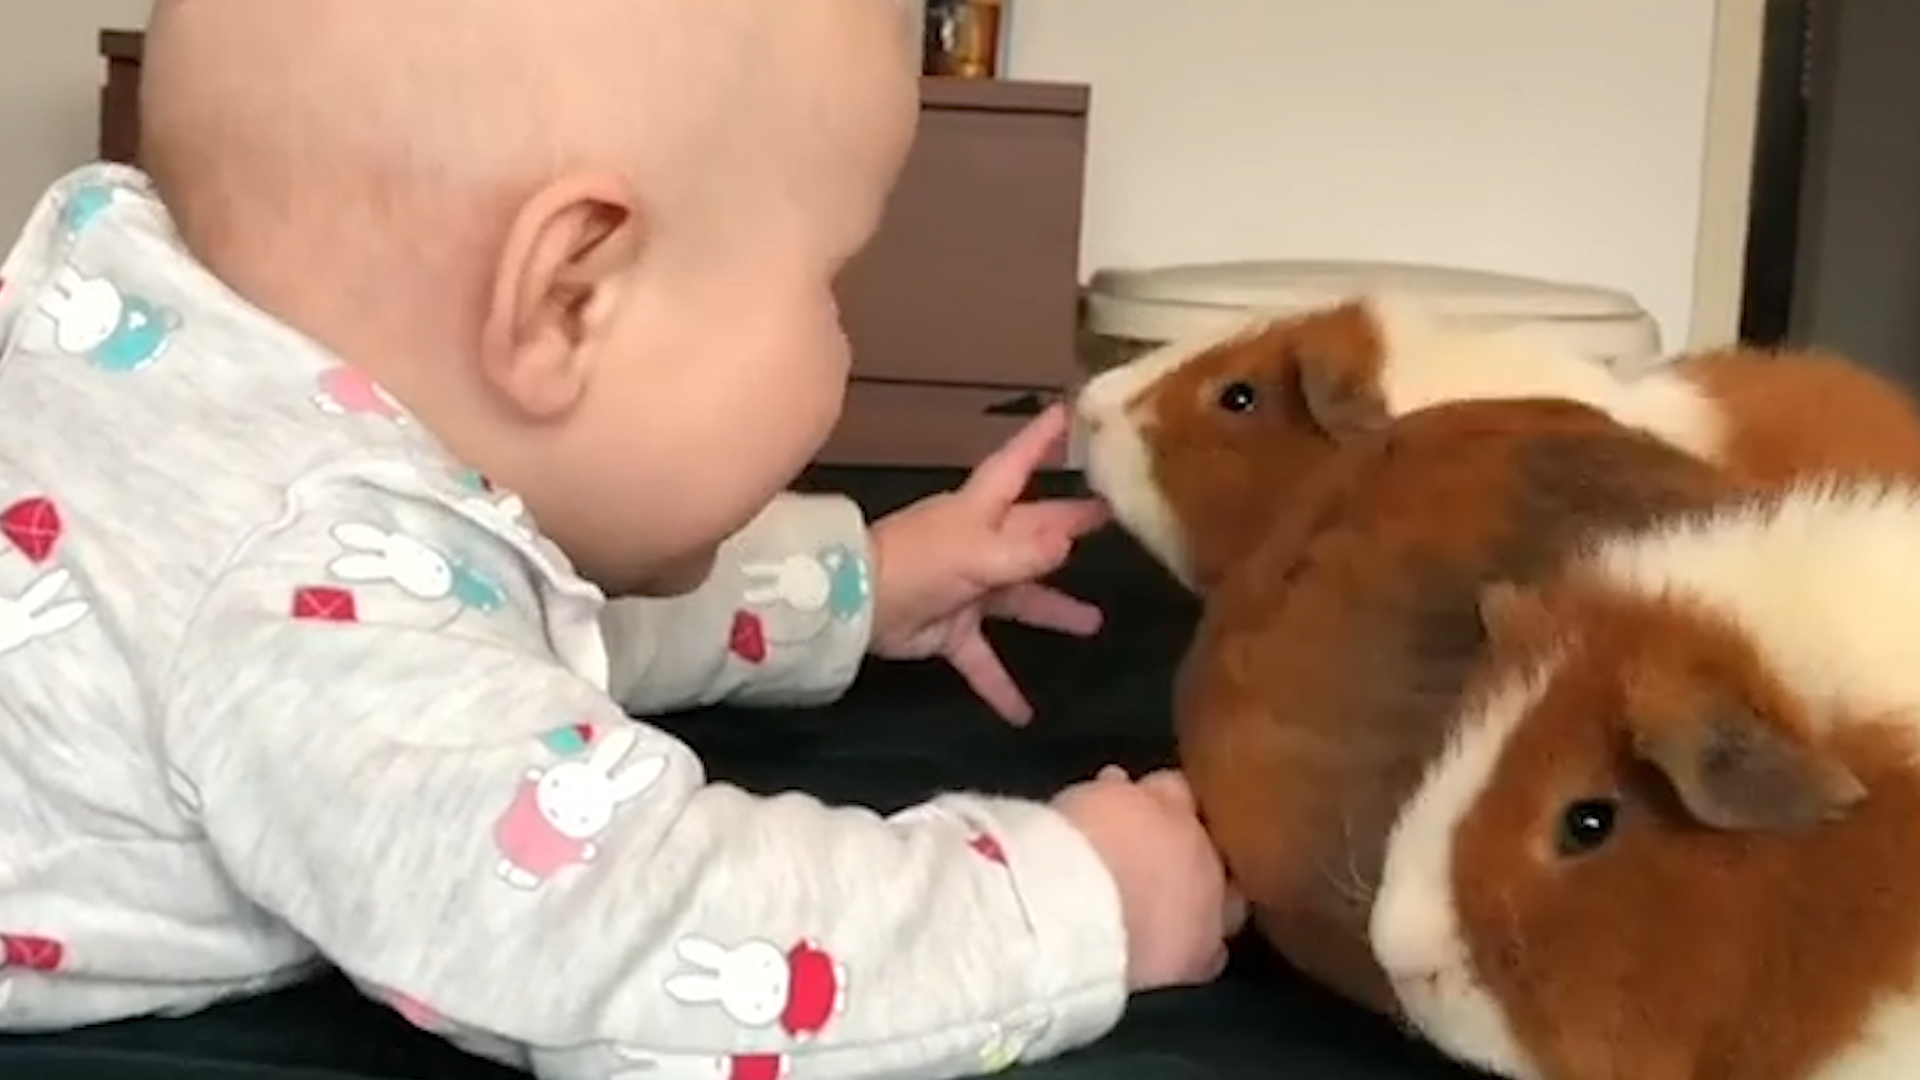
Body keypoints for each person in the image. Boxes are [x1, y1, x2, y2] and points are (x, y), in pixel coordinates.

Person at [0, 0, 1243, 1076]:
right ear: (571, 299)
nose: (846, 336)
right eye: (832, 278)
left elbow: (485, 615)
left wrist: (855, 585)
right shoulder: (281, 579)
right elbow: (630, 932)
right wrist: (1072, 903)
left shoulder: (215, 407)